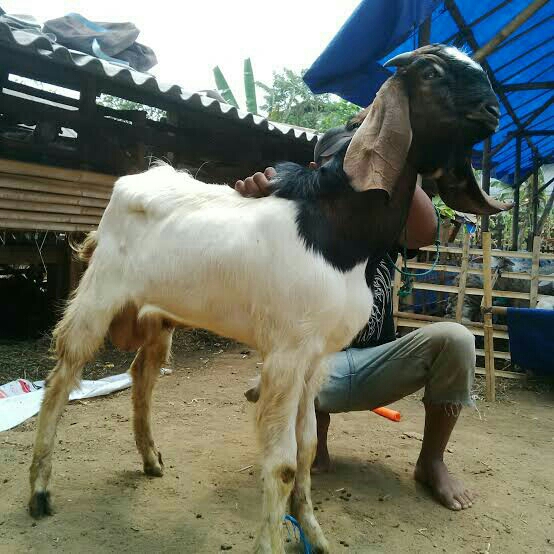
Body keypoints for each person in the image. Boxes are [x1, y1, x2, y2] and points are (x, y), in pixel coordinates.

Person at [237, 126, 477, 512]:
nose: (355, 174)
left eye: (366, 163)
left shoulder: (380, 220)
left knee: (457, 339)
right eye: (344, 163)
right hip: (315, 369)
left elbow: (425, 230)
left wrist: (399, 156)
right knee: (293, 358)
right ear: (317, 170)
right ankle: (316, 451)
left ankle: (431, 462)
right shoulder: (291, 223)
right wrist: (253, 207)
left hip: (375, 366)